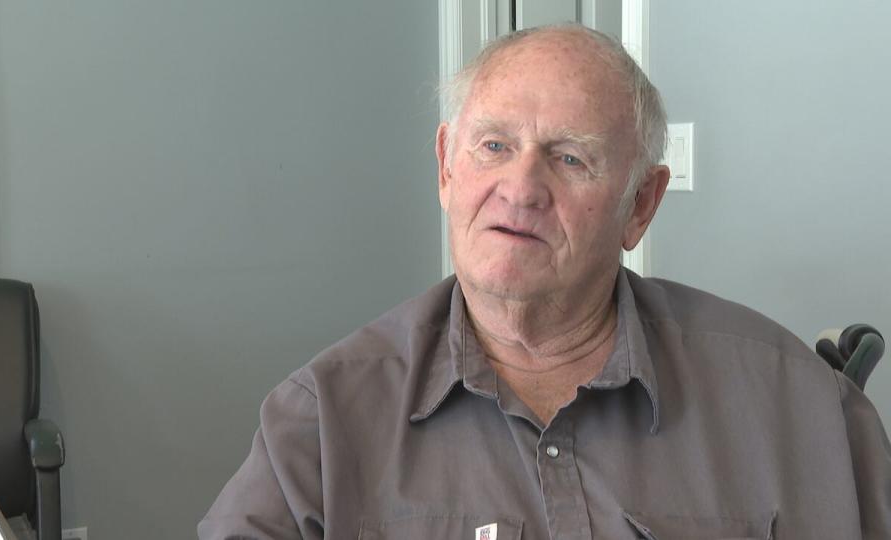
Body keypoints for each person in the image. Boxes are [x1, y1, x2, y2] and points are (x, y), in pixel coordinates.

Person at [199, 24, 891, 539]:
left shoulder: (800, 408)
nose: (521, 188)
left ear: (641, 205)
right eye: (495, 146)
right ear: (447, 167)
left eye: (570, 158)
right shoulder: (322, 422)